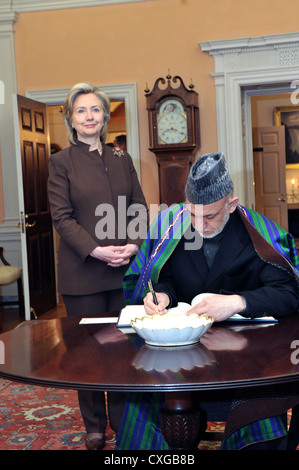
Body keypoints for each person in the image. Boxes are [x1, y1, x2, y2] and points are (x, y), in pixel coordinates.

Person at [116, 151, 299, 450]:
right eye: (193, 214)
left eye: (210, 216)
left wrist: (237, 302)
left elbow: (289, 293)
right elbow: (166, 277)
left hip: (246, 356)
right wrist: (162, 294)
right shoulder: (172, 226)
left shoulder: (257, 233)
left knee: (262, 412)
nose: (200, 226)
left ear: (232, 203)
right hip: (181, 352)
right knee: (146, 392)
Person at [47, 82, 148, 450]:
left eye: (96, 110)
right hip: (83, 274)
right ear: (71, 120)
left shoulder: (122, 157)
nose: (90, 117)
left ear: (105, 117)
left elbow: (138, 206)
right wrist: (97, 250)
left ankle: (122, 422)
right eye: (81, 111)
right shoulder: (61, 162)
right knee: (87, 353)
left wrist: (133, 245)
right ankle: (93, 425)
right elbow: (62, 217)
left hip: (123, 271)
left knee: (123, 350)